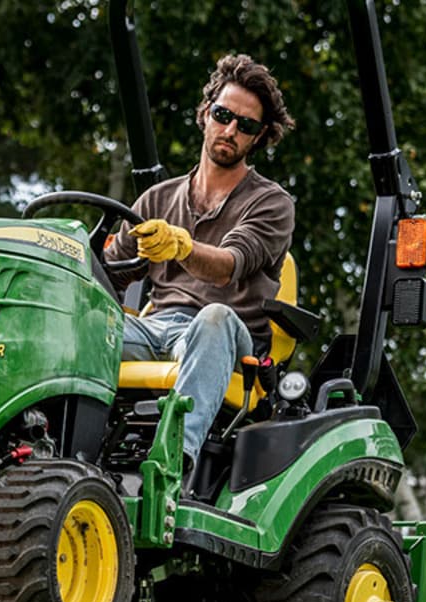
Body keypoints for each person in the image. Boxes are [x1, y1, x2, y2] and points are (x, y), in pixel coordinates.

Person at [104, 53, 296, 473]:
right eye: (223, 115)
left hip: (231, 338)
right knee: (81, 326)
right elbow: (109, 273)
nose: (230, 130)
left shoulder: (271, 203)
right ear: (206, 113)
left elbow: (228, 265)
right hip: (155, 329)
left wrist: (181, 246)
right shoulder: (157, 199)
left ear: (259, 137)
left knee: (215, 317)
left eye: (246, 125)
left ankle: (173, 464)